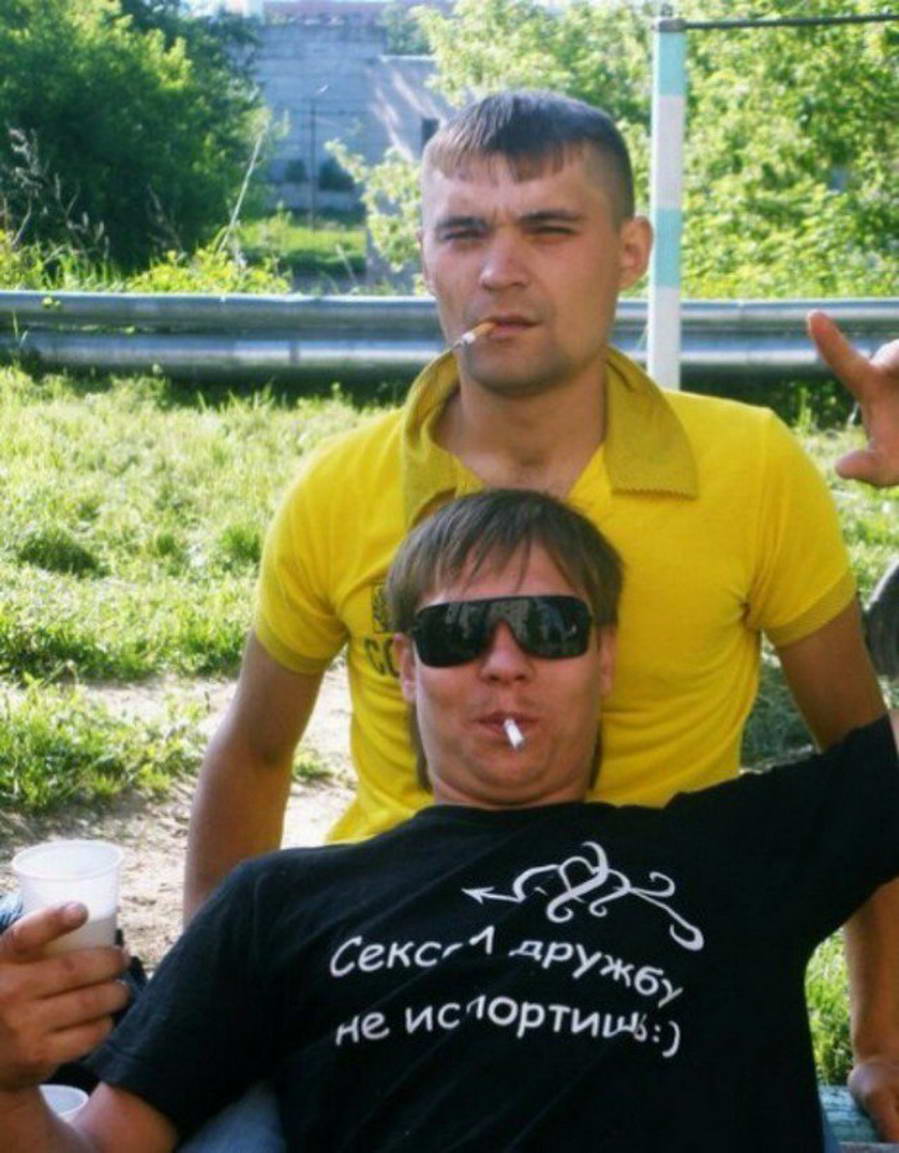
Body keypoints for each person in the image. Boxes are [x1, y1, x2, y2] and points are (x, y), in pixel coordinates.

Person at [184, 90, 899, 1131]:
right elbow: (254, 750)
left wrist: (880, 1044)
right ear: (423, 256)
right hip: (383, 979)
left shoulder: (749, 467)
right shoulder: (337, 490)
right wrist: (202, 1015)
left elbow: (864, 768)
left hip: (660, 959)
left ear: (628, 251)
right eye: (462, 232)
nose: (499, 270)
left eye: (548, 229)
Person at [1, 489, 898, 1153]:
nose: (503, 663)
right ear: (405, 667)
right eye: (457, 634)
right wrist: (6, 1086)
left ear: (604, 657)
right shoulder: (280, 902)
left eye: (548, 626)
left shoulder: (732, 849)